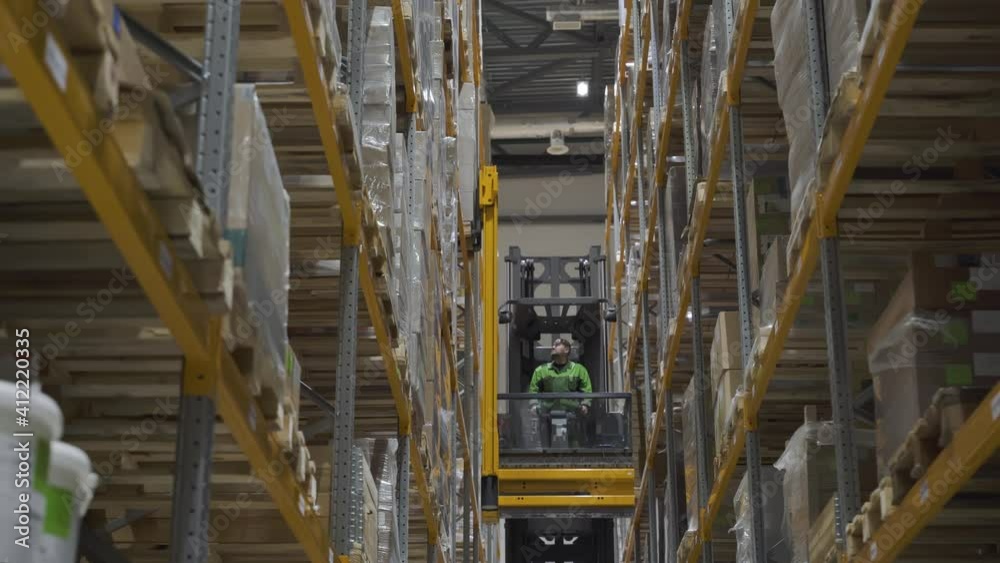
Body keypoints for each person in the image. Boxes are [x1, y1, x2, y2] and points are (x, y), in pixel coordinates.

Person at [528, 338, 592, 416]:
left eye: (557, 345)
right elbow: (533, 391)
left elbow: (587, 390)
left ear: (566, 349)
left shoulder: (579, 370)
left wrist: (585, 405)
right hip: (546, 414)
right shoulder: (541, 370)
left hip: (572, 415)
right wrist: (534, 405)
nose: (553, 347)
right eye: (553, 345)